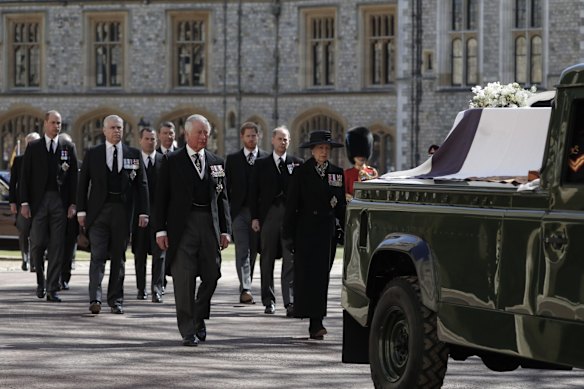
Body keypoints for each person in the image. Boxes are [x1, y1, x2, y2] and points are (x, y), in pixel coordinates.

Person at [154, 114, 231, 347]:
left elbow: (223, 198)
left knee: (212, 274)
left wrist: (225, 230)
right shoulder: (171, 161)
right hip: (182, 227)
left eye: (207, 132)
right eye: (199, 132)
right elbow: (161, 198)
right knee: (184, 279)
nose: (204, 136)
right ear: (187, 135)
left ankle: (198, 315)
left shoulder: (216, 161)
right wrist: (160, 230)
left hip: (209, 224)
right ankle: (188, 330)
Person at [77, 115, 149, 315]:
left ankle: (116, 300)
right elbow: (82, 185)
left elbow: (142, 185)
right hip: (98, 212)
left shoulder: (133, 154)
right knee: (98, 256)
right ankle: (95, 298)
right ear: (104, 130)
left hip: (122, 212)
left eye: (120, 128)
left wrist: (144, 212)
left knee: (119, 258)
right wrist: (81, 211)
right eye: (113, 128)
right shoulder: (93, 154)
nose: (117, 131)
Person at [283, 130, 346, 340]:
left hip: (326, 232)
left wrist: (345, 230)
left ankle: (316, 320)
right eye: (320, 148)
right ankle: (312, 319)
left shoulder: (336, 173)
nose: (324, 152)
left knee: (322, 278)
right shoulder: (301, 173)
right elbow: (291, 205)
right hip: (305, 230)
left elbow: (342, 207)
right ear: (312, 150)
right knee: (306, 276)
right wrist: (288, 235)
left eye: (327, 148)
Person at [19, 111, 78, 302]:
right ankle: (40, 282)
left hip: (59, 203)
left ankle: (53, 288)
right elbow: (24, 176)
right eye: (53, 122)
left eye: (59, 123)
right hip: (39, 202)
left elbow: (74, 179)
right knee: (36, 243)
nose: (56, 126)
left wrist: (73, 204)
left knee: (57, 246)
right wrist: (25, 202)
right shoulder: (34, 147)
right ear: (45, 124)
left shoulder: (68, 147)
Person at [250, 126, 302, 316]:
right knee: (267, 259)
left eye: (286, 139)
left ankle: (290, 301)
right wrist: (255, 217)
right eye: (280, 139)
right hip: (268, 217)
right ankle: (268, 300)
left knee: (290, 260)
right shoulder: (261, 164)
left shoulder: (296, 163)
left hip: (289, 218)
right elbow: (253, 193)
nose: (283, 142)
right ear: (272, 140)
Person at [225, 122, 269, 304]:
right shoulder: (233, 159)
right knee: (242, 250)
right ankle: (246, 288)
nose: (251, 138)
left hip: (259, 213)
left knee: (253, 252)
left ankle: (247, 284)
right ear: (242, 137)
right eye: (248, 136)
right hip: (239, 213)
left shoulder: (266, 159)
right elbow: (227, 188)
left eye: (254, 135)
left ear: (259, 137)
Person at [132, 127, 165, 303]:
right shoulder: (133, 161)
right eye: (147, 139)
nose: (150, 142)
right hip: (138, 216)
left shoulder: (163, 160)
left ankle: (156, 289)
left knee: (159, 255)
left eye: (153, 139)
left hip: (158, 216)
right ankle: (141, 288)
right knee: (140, 253)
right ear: (140, 140)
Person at [9, 131, 41, 272]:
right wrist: (12, 202)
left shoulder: (42, 160)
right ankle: (25, 258)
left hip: (38, 203)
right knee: (23, 231)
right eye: (30, 142)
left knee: (36, 234)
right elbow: (13, 183)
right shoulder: (19, 160)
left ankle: (34, 261)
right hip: (22, 202)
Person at [58, 132, 80, 291]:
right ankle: (53, 276)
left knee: (68, 246)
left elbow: (80, 187)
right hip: (55, 209)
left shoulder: (78, 165)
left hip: (70, 211)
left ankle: (64, 276)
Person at [344, 126, 378, 201]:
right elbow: (344, 193)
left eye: (362, 155)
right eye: (358, 155)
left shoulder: (372, 172)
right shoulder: (347, 173)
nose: (361, 157)